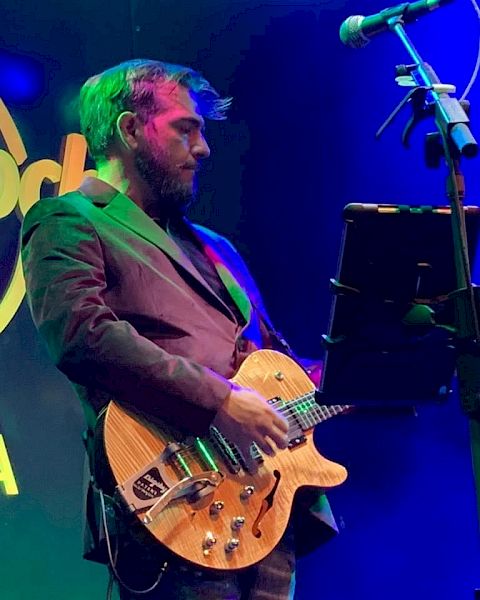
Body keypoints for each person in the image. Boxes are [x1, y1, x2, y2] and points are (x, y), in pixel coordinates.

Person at [21, 59, 336, 599]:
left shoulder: (218, 248)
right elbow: (82, 336)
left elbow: (272, 363)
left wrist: (367, 364)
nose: (204, 148)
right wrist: (221, 399)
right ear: (128, 130)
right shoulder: (69, 219)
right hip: (173, 500)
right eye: (184, 128)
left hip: (261, 506)